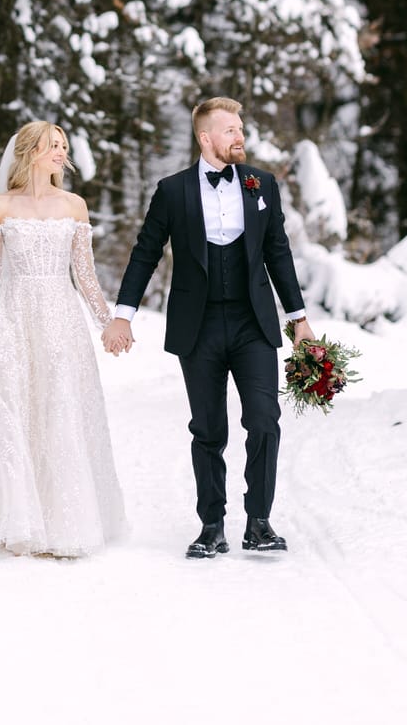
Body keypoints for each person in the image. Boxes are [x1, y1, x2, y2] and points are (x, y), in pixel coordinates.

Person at [103, 96, 315, 558]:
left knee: (264, 421)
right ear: (206, 138)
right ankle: (212, 525)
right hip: (197, 326)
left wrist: (298, 320)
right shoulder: (173, 191)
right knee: (208, 429)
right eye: (231, 130)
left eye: (241, 129)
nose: (241, 137)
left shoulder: (263, 185)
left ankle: (258, 522)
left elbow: (278, 252)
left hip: (253, 322)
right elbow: (146, 251)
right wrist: (123, 314)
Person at [0, 121, 125, 558]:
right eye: (52, 145)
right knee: (15, 411)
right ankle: (15, 519)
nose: (61, 152)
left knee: (58, 408)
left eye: (63, 145)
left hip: (60, 318)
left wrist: (108, 322)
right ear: (29, 152)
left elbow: (84, 276)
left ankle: (65, 524)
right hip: (13, 314)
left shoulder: (75, 206)